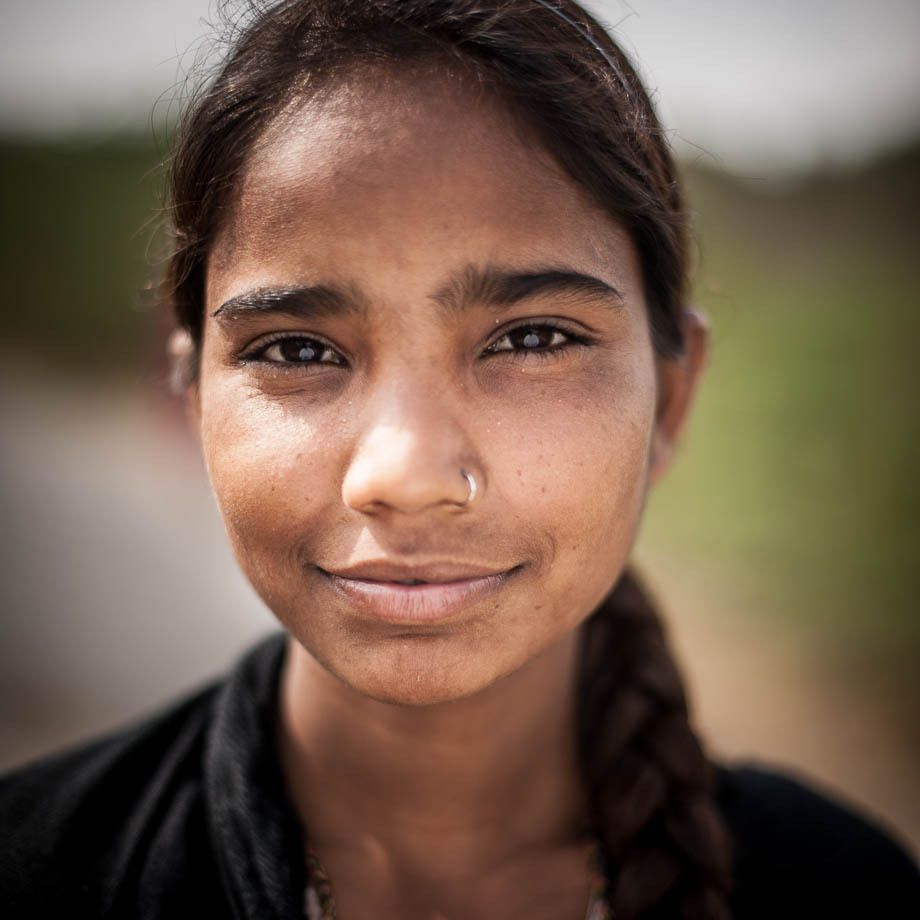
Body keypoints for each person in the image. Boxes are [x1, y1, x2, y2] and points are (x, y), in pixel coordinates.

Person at [2, 1, 918, 918]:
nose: (404, 478)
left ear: (670, 400)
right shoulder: (36, 869)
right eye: (297, 350)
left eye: (531, 338)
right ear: (194, 400)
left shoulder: (845, 892)